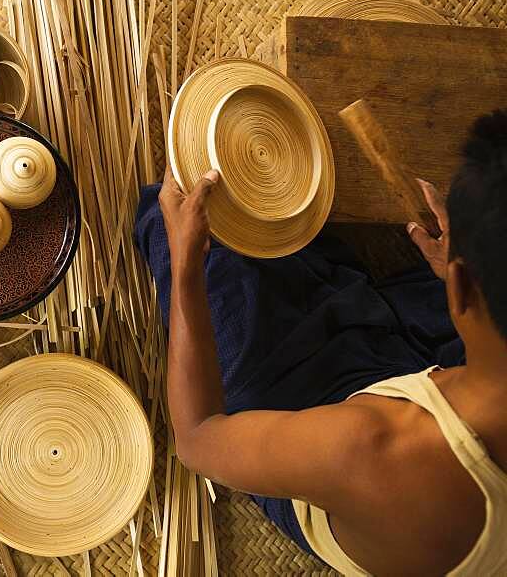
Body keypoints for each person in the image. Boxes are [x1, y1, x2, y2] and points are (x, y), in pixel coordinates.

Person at [134, 110, 507, 576]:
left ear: (462, 290)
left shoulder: (370, 448)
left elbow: (197, 437)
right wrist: (456, 276)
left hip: (333, 439)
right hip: (448, 383)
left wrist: (186, 260)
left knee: (174, 219)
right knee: (300, 247)